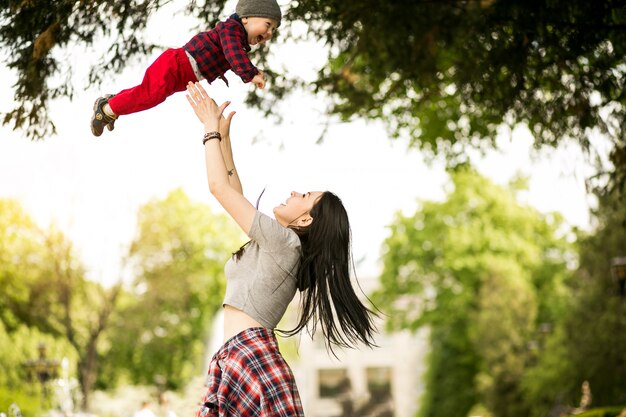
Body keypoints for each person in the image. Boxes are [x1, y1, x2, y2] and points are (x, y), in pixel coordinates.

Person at [185, 81, 378, 416]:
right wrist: (225, 138)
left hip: (251, 357)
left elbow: (218, 188)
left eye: (303, 197)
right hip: (238, 355)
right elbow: (233, 190)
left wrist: (208, 129)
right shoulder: (281, 244)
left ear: (305, 221)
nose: (293, 192)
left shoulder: (285, 242)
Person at [90, 0, 281, 137]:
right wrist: (250, 74)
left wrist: (252, 70)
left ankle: (112, 103)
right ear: (246, 17)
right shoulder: (231, 29)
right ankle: (106, 110)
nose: (270, 33)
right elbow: (233, 54)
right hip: (176, 66)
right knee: (149, 95)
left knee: (145, 92)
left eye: (274, 30)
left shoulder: (235, 39)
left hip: (180, 74)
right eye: (268, 25)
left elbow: (234, 56)